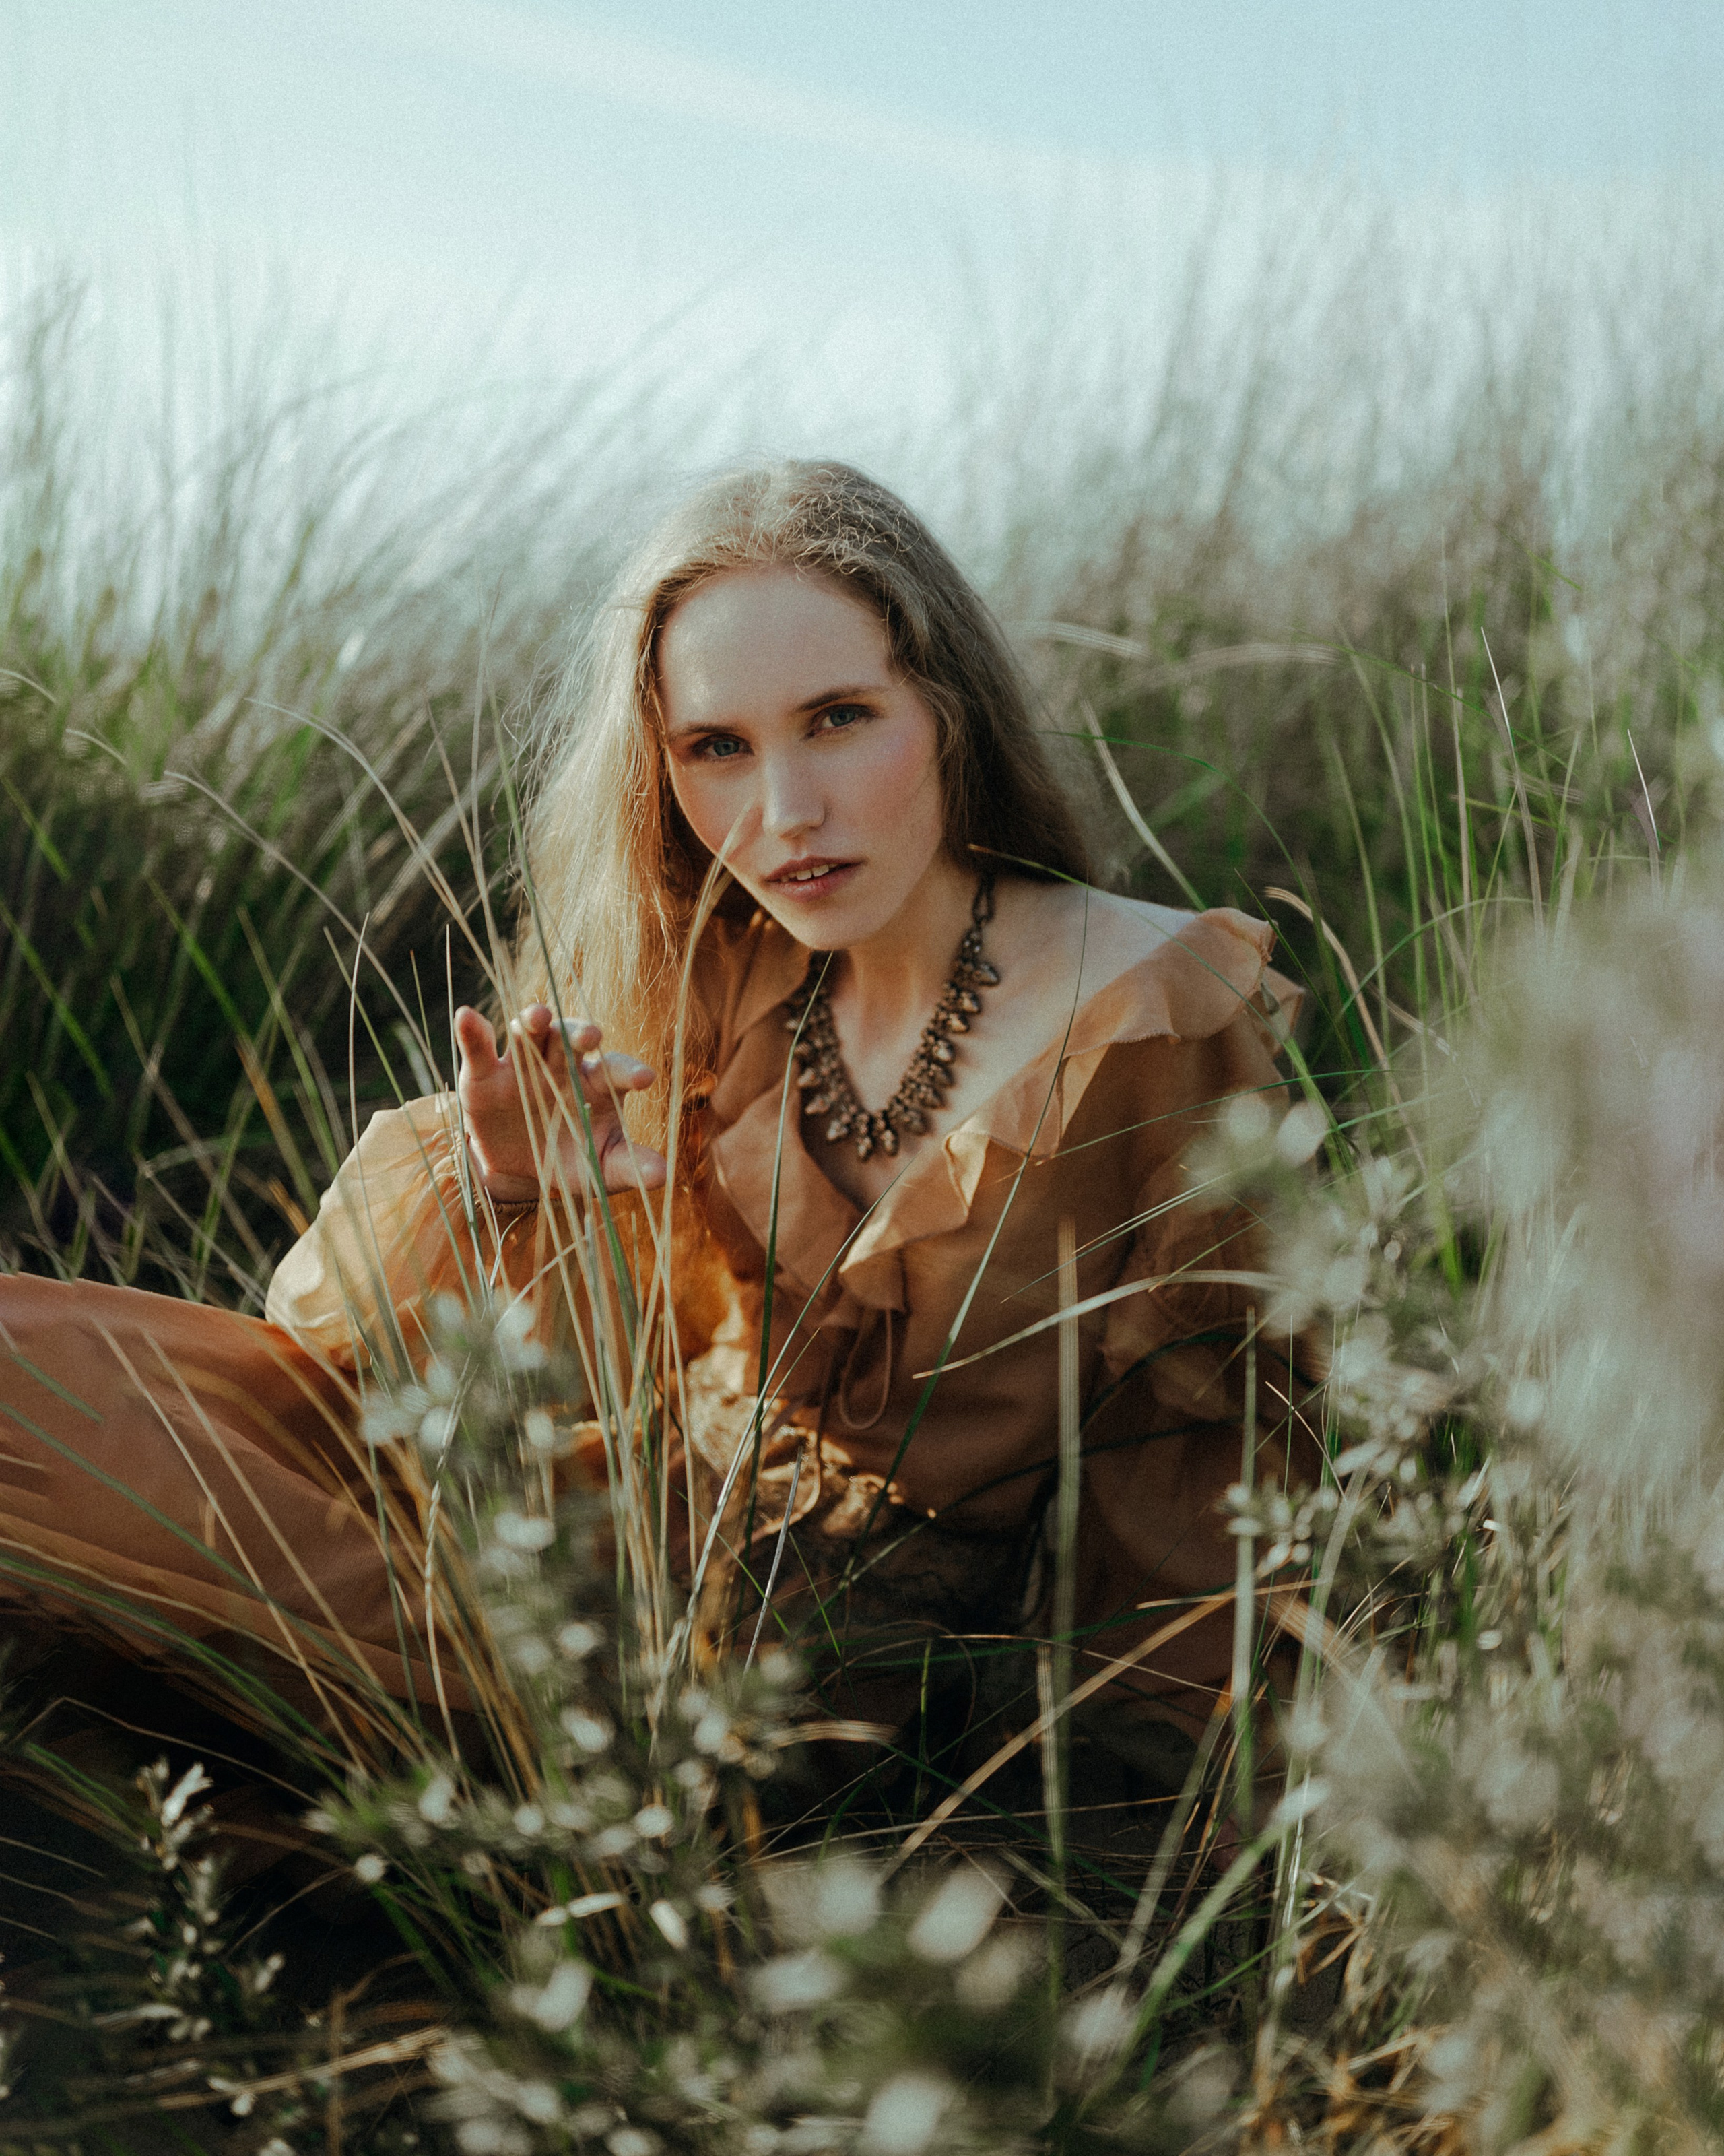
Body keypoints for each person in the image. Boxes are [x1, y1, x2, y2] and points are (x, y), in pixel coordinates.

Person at [0, 460, 1315, 1773]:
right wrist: (516, 1195)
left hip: (783, 1678)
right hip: (598, 1526)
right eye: (716, 747)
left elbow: (1212, 1464)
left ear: (948, 709)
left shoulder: (1148, 1004)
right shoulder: (724, 968)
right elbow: (487, 1370)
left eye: (840, 717)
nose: (783, 811)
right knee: (39, 1376)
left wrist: (1128, 1810)